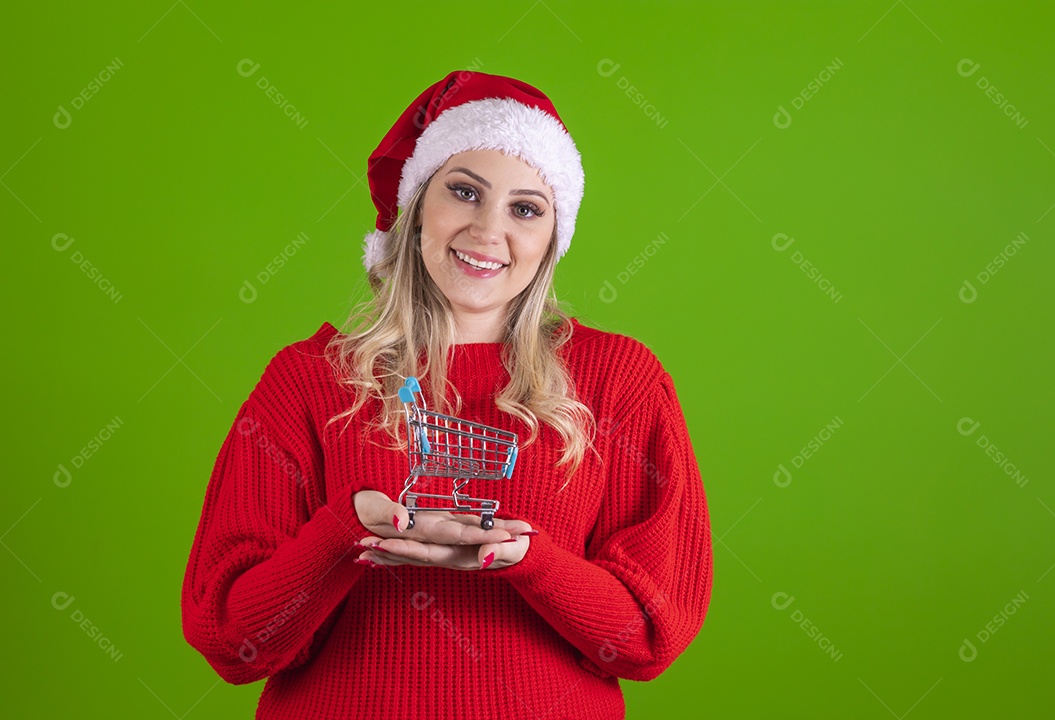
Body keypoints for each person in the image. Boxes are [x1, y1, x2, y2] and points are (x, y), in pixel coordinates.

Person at [181, 70, 712, 719]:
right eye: (464, 192)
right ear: (416, 209)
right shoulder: (309, 380)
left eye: (525, 209)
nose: (488, 231)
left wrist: (531, 562)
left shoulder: (620, 380)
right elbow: (232, 640)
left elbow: (648, 638)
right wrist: (346, 531)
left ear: (552, 238)